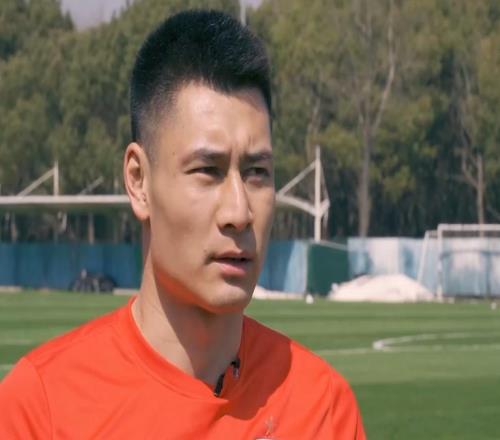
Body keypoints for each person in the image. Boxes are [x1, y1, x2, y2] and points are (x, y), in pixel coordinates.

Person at [0, 10, 365, 439]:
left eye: (257, 172)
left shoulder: (321, 409)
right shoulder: (42, 408)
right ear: (139, 181)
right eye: (207, 170)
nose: (239, 212)